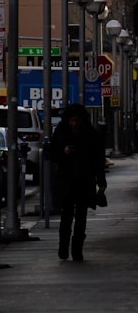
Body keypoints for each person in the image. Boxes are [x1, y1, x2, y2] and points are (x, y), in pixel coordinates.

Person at [51, 103, 107, 261]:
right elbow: (53, 154)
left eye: (77, 120)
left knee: (81, 217)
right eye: (72, 120)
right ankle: (63, 247)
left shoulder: (90, 134)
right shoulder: (61, 133)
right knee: (66, 216)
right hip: (66, 181)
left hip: (84, 181)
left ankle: (77, 250)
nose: (74, 124)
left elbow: (98, 159)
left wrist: (101, 181)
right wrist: (64, 152)